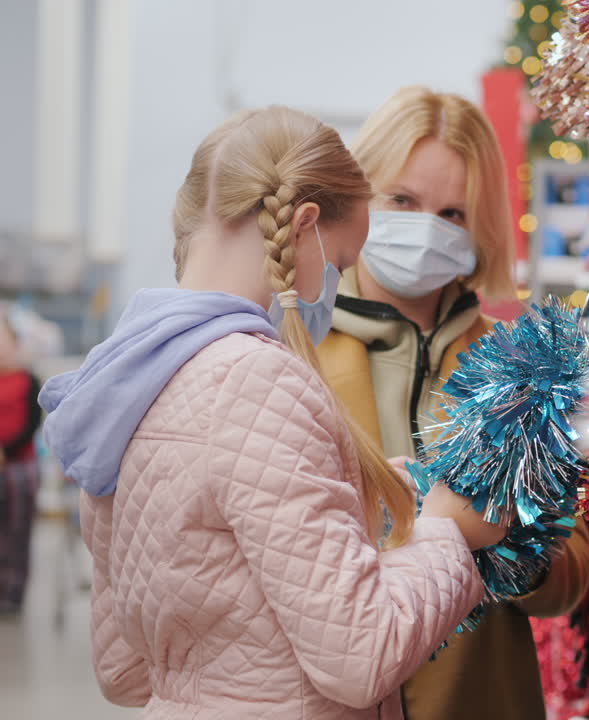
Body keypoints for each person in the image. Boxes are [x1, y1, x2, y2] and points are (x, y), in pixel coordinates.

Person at [38, 106, 505, 719]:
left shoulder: (123, 382)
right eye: (338, 263)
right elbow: (361, 655)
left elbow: (123, 670)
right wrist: (446, 531)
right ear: (304, 224)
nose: (334, 287)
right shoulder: (260, 382)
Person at [316, 86, 589, 720]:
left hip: (478, 697)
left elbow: (573, 568)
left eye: (453, 214)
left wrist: (509, 546)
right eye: (403, 201)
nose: (425, 230)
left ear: (482, 226)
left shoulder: (521, 365)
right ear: (358, 199)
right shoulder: (293, 351)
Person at [0, 306, 42, 615]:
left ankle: (13, 593)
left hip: (19, 467)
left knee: (17, 530)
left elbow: (30, 423)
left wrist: (6, 451)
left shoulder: (28, 380)